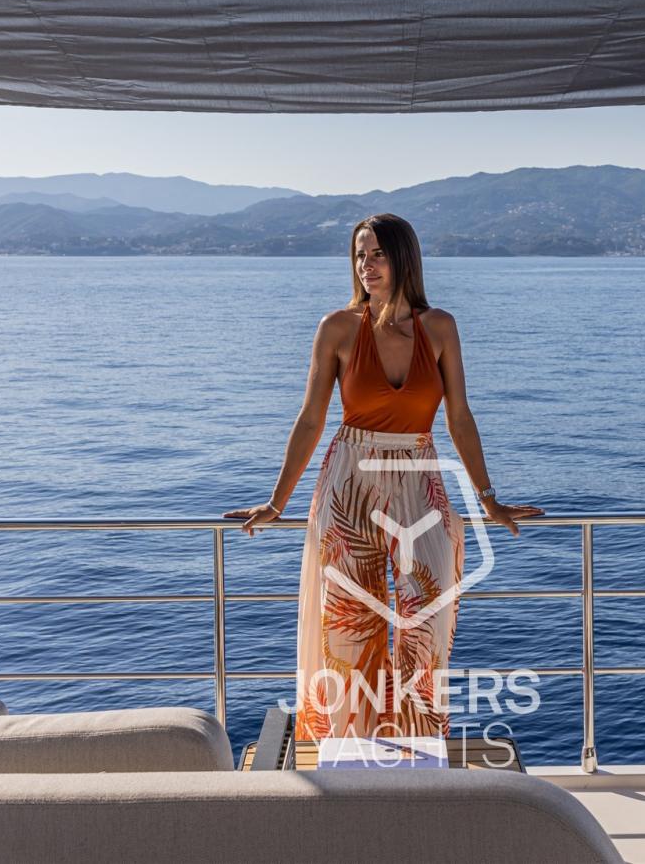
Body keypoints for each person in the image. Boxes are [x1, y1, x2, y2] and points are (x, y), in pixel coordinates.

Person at [225, 213, 544, 741]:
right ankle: (352, 756)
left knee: (427, 624)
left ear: (403, 258)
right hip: (349, 484)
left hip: (421, 479)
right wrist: (277, 502)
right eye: (359, 255)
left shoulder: (439, 327)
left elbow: (460, 417)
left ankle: (418, 751)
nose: (365, 265)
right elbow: (310, 420)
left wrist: (488, 498)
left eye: (377, 254)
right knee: (350, 631)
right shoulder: (337, 328)